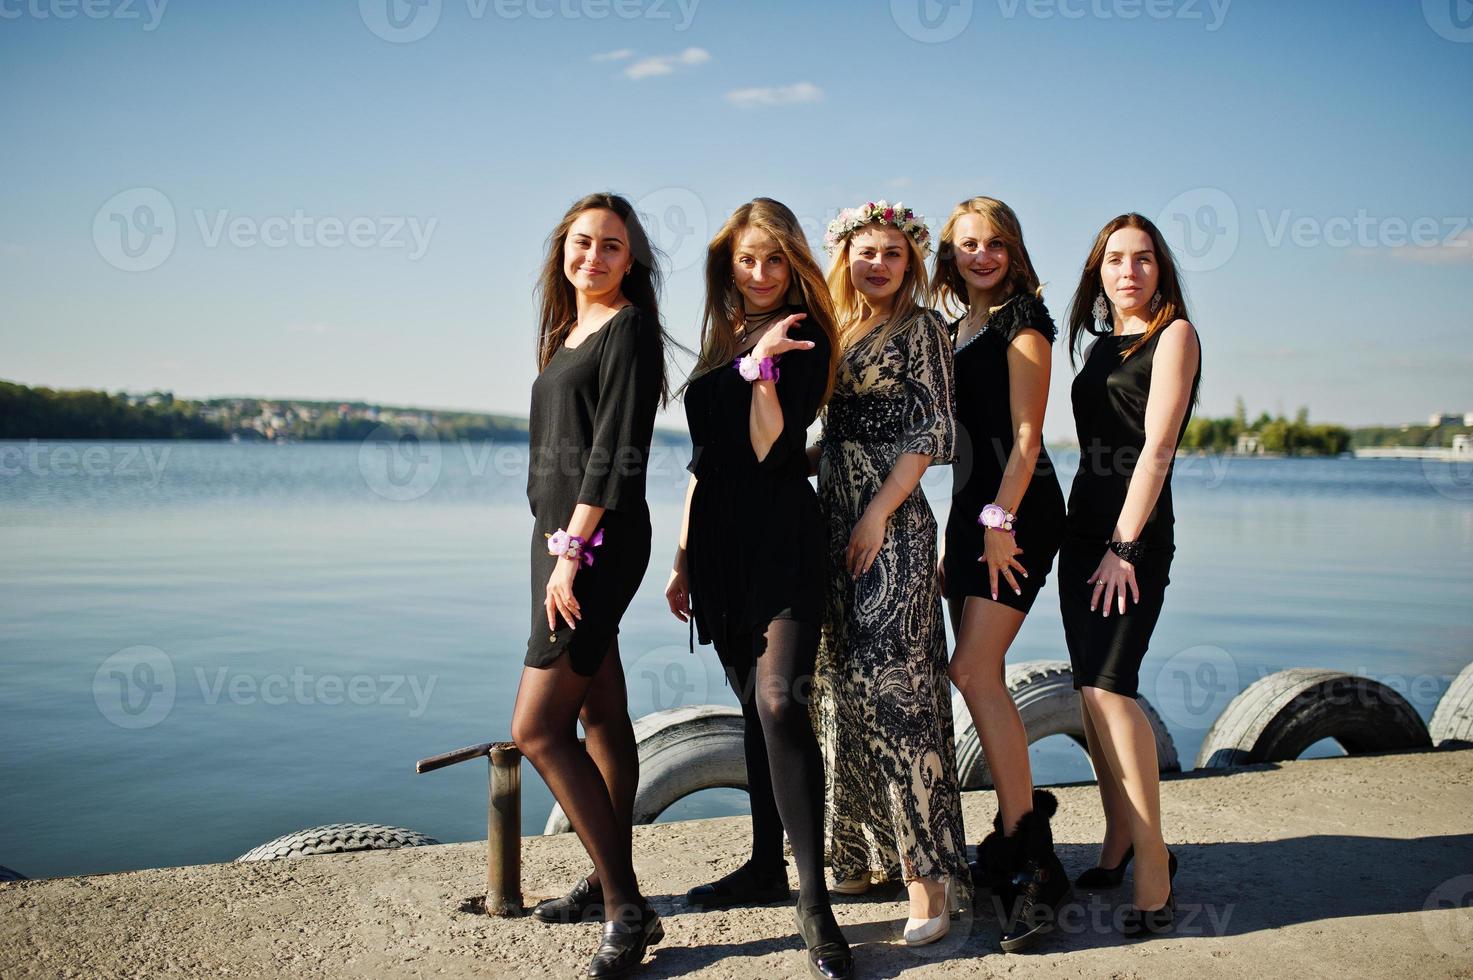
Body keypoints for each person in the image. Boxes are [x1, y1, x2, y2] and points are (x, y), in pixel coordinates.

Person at [665, 197, 853, 980]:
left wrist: (764, 367)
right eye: (748, 259)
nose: (762, 273)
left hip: (781, 543)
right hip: (717, 548)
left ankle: (814, 902)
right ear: (728, 266)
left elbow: (767, 441)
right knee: (751, 707)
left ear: (793, 264)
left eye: (775, 259)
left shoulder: (802, 334)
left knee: (780, 701)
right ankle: (761, 867)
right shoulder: (720, 338)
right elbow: (706, 460)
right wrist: (680, 558)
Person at [509, 192, 671, 978]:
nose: (594, 257)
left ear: (630, 259)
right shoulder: (564, 331)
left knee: (538, 730)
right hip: (561, 539)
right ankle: (607, 879)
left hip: (595, 544)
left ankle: (625, 909)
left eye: (612, 246)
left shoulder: (628, 330)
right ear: (562, 251)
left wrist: (572, 551)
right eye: (582, 242)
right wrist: (550, 538)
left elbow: (613, 452)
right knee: (602, 712)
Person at [809, 199, 970, 947]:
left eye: (892, 254)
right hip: (830, 517)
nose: (877, 264)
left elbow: (933, 429)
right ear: (844, 254)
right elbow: (828, 428)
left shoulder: (922, 329)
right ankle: (859, 854)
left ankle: (928, 883)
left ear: (910, 262)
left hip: (892, 526)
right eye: (865, 251)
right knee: (841, 689)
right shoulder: (834, 326)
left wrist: (876, 512)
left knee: (899, 697)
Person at [931, 196, 1071, 951]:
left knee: (974, 670)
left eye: (993, 243)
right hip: (966, 513)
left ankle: (1033, 860)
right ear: (949, 255)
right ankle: (1014, 836)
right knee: (974, 674)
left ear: (1012, 249)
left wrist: (996, 524)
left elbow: (1024, 437)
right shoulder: (955, 329)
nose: (979, 255)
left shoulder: (1025, 321)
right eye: (965, 245)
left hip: (1014, 511)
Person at [1060, 212, 1201, 938]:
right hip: (1079, 531)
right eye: (1115, 260)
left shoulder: (1173, 335)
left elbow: (1156, 450)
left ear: (1159, 269)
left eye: (1142, 259)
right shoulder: (1097, 345)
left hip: (1131, 537)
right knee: (1088, 693)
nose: (1129, 271)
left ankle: (1153, 862)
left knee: (1112, 689)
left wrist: (1124, 545)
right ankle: (1116, 837)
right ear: (1098, 273)